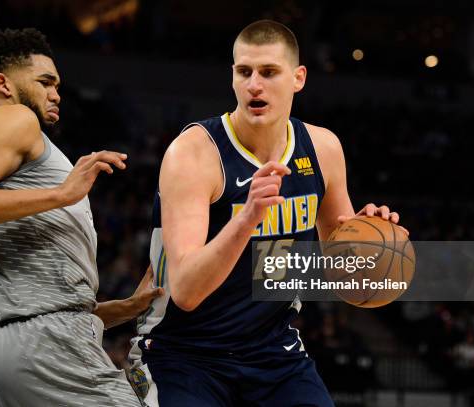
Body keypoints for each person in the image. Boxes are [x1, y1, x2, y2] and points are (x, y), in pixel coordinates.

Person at [129, 20, 407, 406]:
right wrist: (246, 219)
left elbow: (340, 275)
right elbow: (188, 292)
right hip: (183, 353)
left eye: (269, 72)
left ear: (298, 78)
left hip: (272, 352)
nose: (254, 84)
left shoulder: (323, 148)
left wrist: (370, 239)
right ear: (232, 77)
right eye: (244, 72)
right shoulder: (193, 154)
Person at [0, 28, 161, 406]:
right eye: (45, 82)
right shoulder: (15, 119)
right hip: (42, 350)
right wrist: (61, 194)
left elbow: (30, 301)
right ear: (4, 83)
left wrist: (126, 308)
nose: (56, 93)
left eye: (58, 85)